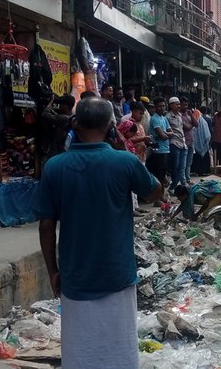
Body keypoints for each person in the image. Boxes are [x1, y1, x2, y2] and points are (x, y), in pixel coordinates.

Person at [35, 97, 163, 369]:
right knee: (119, 351)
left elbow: (46, 225)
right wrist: (123, 151)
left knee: (81, 352)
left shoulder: (55, 167)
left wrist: (53, 272)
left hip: (75, 276)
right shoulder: (125, 162)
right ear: (111, 126)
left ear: (75, 123)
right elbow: (156, 192)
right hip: (117, 274)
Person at [147, 97, 173, 202]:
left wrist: (165, 133)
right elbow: (162, 135)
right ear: (155, 107)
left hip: (165, 149)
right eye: (159, 106)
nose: (162, 108)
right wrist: (166, 134)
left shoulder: (164, 119)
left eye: (163, 106)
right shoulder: (154, 118)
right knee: (158, 175)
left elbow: (171, 133)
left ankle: (161, 196)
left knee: (162, 175)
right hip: (157, 151)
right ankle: (157, 198)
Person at [41, 95, 75, 159]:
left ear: (66, 106)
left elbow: (44, 114)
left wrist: (51, 101)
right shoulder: (71, 116)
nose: (59, 106)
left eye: (61, 104)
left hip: (57, 150)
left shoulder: (64, 118)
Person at [166, 97, 187, 192]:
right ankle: (173, 186)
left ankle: (174, 186)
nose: (179, 106)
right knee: (175, 167)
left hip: (182, 143)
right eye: (176, 104)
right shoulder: (168, 117)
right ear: (171, 105)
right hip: (174, 143)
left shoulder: (180, 115)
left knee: (182, 167)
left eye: (179, 104)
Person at [179, 97, 198, 185]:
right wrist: (192, 125)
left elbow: (196, 124)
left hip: (191, 141)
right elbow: (186, 127)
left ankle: (188, 178)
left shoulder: (188, 114)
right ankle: (183, 180)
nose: (185, 107)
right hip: (183, 142)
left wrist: (191, 115)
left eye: (186, 105)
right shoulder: (179, 116)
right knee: (183, 163)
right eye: (183, 105)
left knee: (189, 162)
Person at [192, 106, 212, 176]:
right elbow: (208, 134)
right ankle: (204, 171)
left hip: (197, 143)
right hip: (203, 143)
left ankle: (198, 171)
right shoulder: (205, 120)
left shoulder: (201, 122)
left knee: (198, 157)